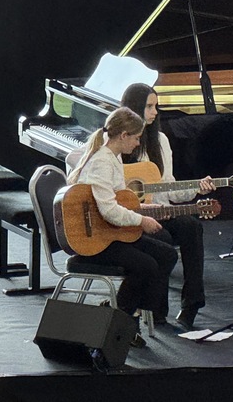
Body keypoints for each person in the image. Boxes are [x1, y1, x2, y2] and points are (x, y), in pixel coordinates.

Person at [66, 107, 178, 346]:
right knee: (146, 265)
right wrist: (141, 220)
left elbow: (119, 201)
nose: (138, 143)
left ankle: (122, 310)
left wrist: (144, 209)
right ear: (123, 135)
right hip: (96, 238)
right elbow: (108, 210)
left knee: (167, 254)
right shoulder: (102, 162)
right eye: (136, 138)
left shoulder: (113, 157)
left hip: (110, 231)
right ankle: (125, 321)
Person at [119, 83, 215, 330]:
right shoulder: (117, 140)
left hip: (161, 210)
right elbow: (77, 159)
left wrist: (197, 188)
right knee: (161, 237)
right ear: (134, 108)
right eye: (149, 106)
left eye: (156, 106)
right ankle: (156, 310)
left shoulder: (160, 140)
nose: (155, 112)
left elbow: (169, 188)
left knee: (191, 226)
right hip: (130, 217)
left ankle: (192, 303)